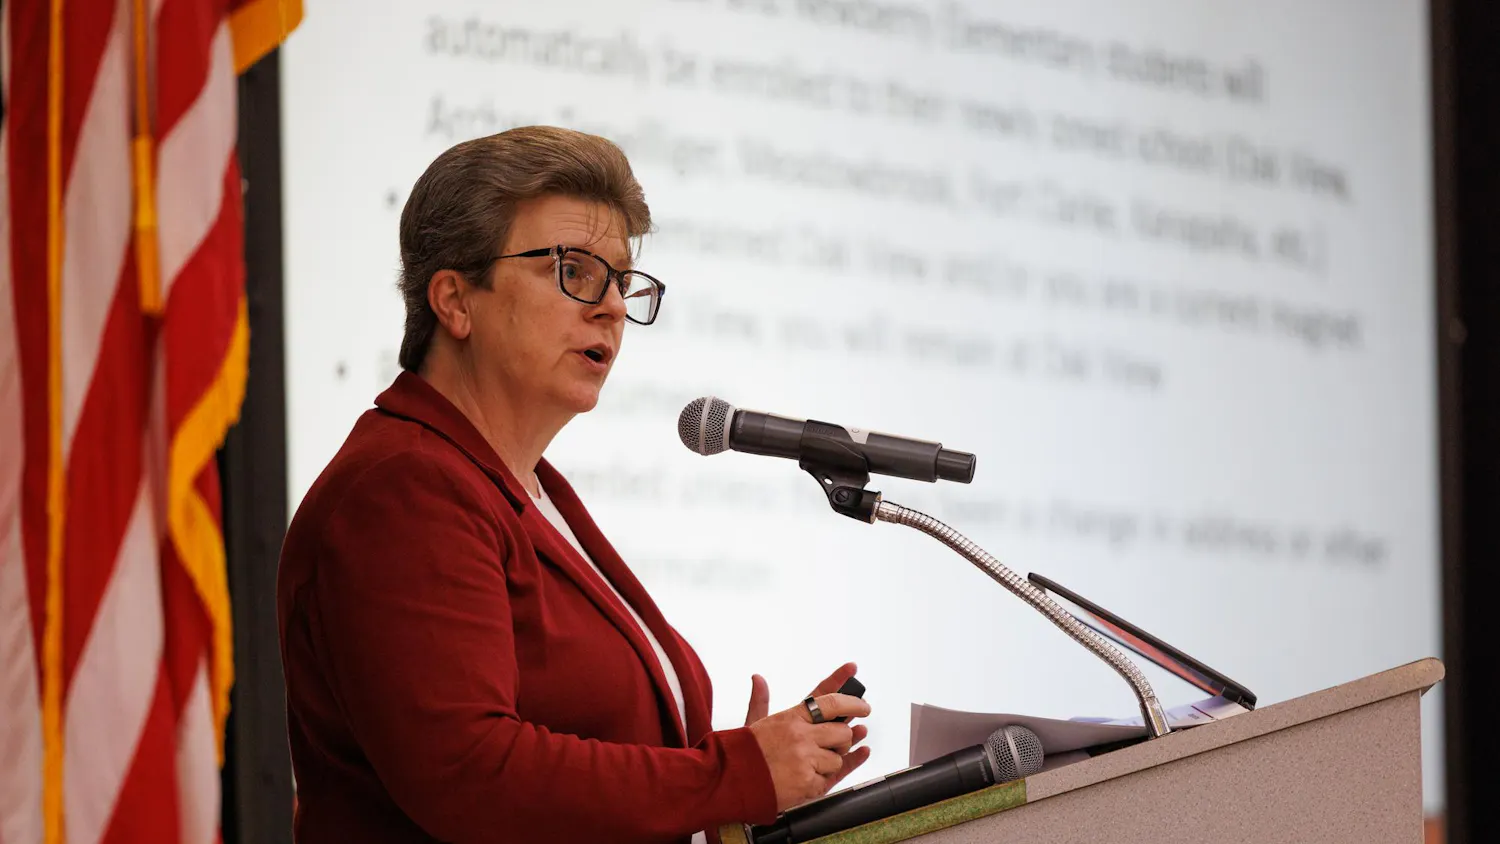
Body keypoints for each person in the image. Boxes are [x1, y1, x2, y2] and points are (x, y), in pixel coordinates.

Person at [276, 125, 871, 844]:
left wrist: (731, 797)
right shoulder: (402, 489)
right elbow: (470, 774)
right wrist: (732, 773)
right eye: (575, 271)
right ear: (455, 300)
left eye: (620, 279)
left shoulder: (527, 489)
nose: (612, 306)